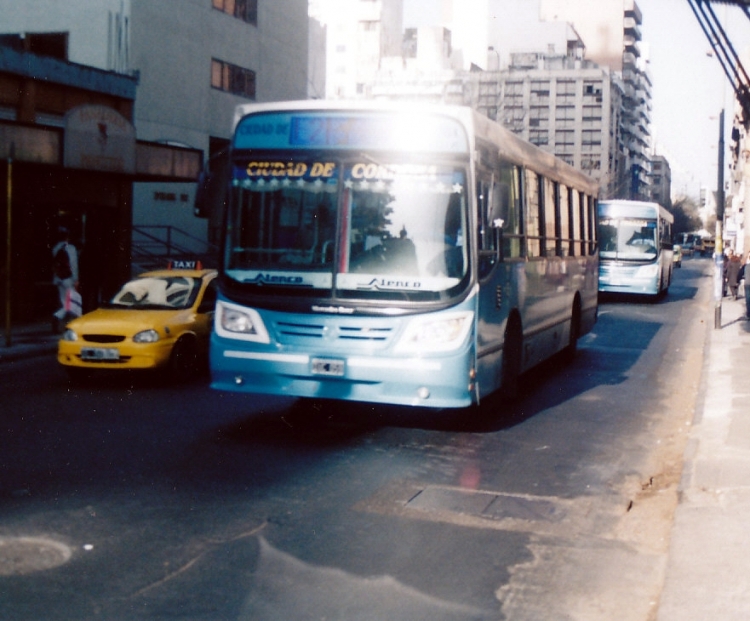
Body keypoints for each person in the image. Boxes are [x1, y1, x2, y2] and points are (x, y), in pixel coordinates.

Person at [51, 227, 81, 332]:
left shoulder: (55, 248)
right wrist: (76, 279)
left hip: (58, 278)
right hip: (68, 279)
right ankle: (58, 316)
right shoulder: (71, 248)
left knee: (64, 301)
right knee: (71, 302)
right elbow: (73, 265)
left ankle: (59, 319)